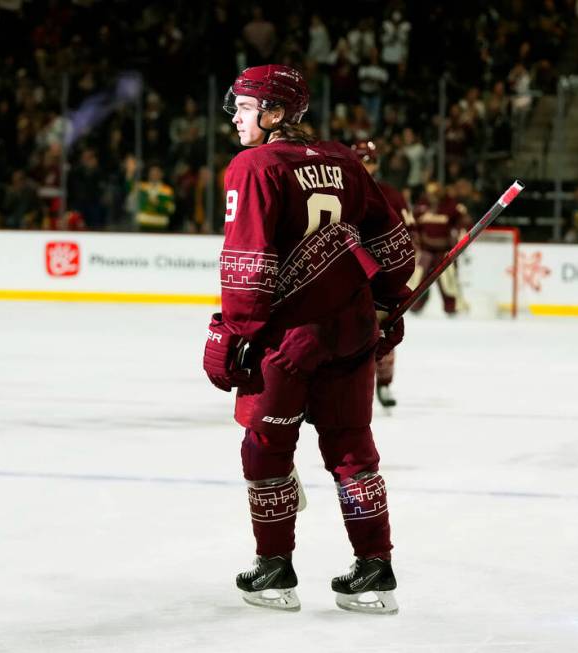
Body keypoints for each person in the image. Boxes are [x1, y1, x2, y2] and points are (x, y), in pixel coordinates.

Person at [202, 65, 415, 614]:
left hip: (290, 340)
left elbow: (246, 263)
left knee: (266, 449)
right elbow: (394, 247)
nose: (235, 118)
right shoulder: (344, 159)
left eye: (244, 109)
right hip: (350, 332)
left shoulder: (254, 166)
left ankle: (274, 570)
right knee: (352, 451)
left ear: (274, 114)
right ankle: (375, 570)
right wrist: (389, 301)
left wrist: (233, 329)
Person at [352, 140, 415, 408]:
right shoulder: (343, 190)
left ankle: (385, 383)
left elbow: (409, 233)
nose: (366, 165)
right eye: (361, 159)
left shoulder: (391, 194)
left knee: (384, 331)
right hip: (350, 273)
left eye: (370, 160)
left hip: (382, 275)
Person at [410, 182, 470, 315]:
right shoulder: (421, 205)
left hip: (444, 251)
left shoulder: (452, 205)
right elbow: (412, 224)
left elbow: (464, 221)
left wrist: (461, 234)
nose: (433, 196)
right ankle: (414, 307)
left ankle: (452, 308)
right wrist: (414, 242)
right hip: (424, 251)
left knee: (448, 281)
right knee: (418, 281)